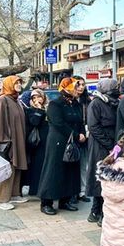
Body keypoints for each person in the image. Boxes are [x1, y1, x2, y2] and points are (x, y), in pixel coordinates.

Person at [37, 77, 86, 215]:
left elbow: (80, 121)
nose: (79, 89)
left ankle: (65, 200)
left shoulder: (75, 104)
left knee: (69, 171)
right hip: (58, 142)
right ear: (67, 88)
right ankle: (46, 202)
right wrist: (76, 135)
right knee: (53, 171)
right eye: (76, 86)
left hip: (73, 143)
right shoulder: (55, 104)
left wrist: (82, 133)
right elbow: (59, 124)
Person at [0, 75, 29, 211]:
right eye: (16, 82)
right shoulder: (3, 100)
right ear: (9, 84)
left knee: (16, 167)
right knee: (6, 169)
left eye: (19, 82)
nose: (19, 85)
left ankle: (14, 194)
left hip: (18, 139)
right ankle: (2, 199)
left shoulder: (15, 100)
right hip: (7, 140)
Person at [85, 79, 120, 226]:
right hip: (100, 146)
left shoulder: (114, 103)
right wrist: (109, 144)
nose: (117, 89)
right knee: (100, 177)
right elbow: (93, 126)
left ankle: (99, 210)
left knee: (109, 178)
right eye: (115, 87)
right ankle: (97, 211)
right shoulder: (96, 103)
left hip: (112, 145)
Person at [24, 89, 49, 196]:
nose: (36, 99)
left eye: (39, 97)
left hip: (47, 140)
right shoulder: (31, 110)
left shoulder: (49, 108)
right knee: (36, 166)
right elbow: (34, 122)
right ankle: (35, 189)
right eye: (34, 98)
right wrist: (39, 110)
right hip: (37, 142)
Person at [72, 75, 91, 204]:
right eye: (78, 84)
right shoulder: (69, 100)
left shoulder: (87, 101)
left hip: (86, 135)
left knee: (84, 164)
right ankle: (72, 192)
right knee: (72, 165)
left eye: (83, 85)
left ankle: (82, 191)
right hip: (73, 136)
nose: (80, 87)